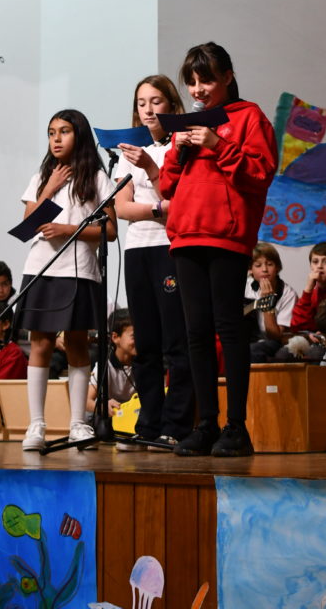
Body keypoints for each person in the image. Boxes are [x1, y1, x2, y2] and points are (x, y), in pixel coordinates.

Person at [159, 41, 278, 457]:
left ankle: (237, 428)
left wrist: (217, 144)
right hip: (186, 235)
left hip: (226, 235)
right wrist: (178, 151)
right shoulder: (187, 125)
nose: (198, 90)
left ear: (227, 77)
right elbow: (166, 186)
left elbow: (260, 174)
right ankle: (206, 424)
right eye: (192, 82)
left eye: (206, 80)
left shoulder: (249, 116)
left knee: (229, 329)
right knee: (196, 333)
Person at [18, 109, 117, 452]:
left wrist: (68, 229)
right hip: (41, 267)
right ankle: (36, 424)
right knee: (41, 343)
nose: (56, 139)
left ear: (80, 135)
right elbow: (27, 225)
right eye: (51, 133)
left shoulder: (97, 178)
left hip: (79, 270)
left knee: (76, 342)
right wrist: (49, 188)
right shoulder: (42, 176)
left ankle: (78, 423)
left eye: (64, 131)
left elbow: (110, 231)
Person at [114, 74, 193, 449]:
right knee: (145, 342)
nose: (148, 110)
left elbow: (179, 200)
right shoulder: (128, 150)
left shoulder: (180, 144)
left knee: (175, 340)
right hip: (137, 249)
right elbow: (122, 208)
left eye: (156, 101)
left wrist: (150, 169)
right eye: (141, 103)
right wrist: (159, 208)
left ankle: (176, 423)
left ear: (172, 105)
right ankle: (148, 421)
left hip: (169, 247)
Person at [244, 241, 297, 362]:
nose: (264, 269)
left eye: (269, 264)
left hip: (270, 341)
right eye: (258, 265)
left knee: (251, 351)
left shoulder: (288, 294)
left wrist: (267, 303)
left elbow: (274, 336)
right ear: (250, 270)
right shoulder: (244, 286)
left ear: (277, 267)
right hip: (244, 338)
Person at [86, 308, 136, 418]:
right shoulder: (105, 365)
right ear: (115, 337)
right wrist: (102, 406)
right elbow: (87, 401)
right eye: (134, 336)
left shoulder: (146, 362)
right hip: (113, 415)